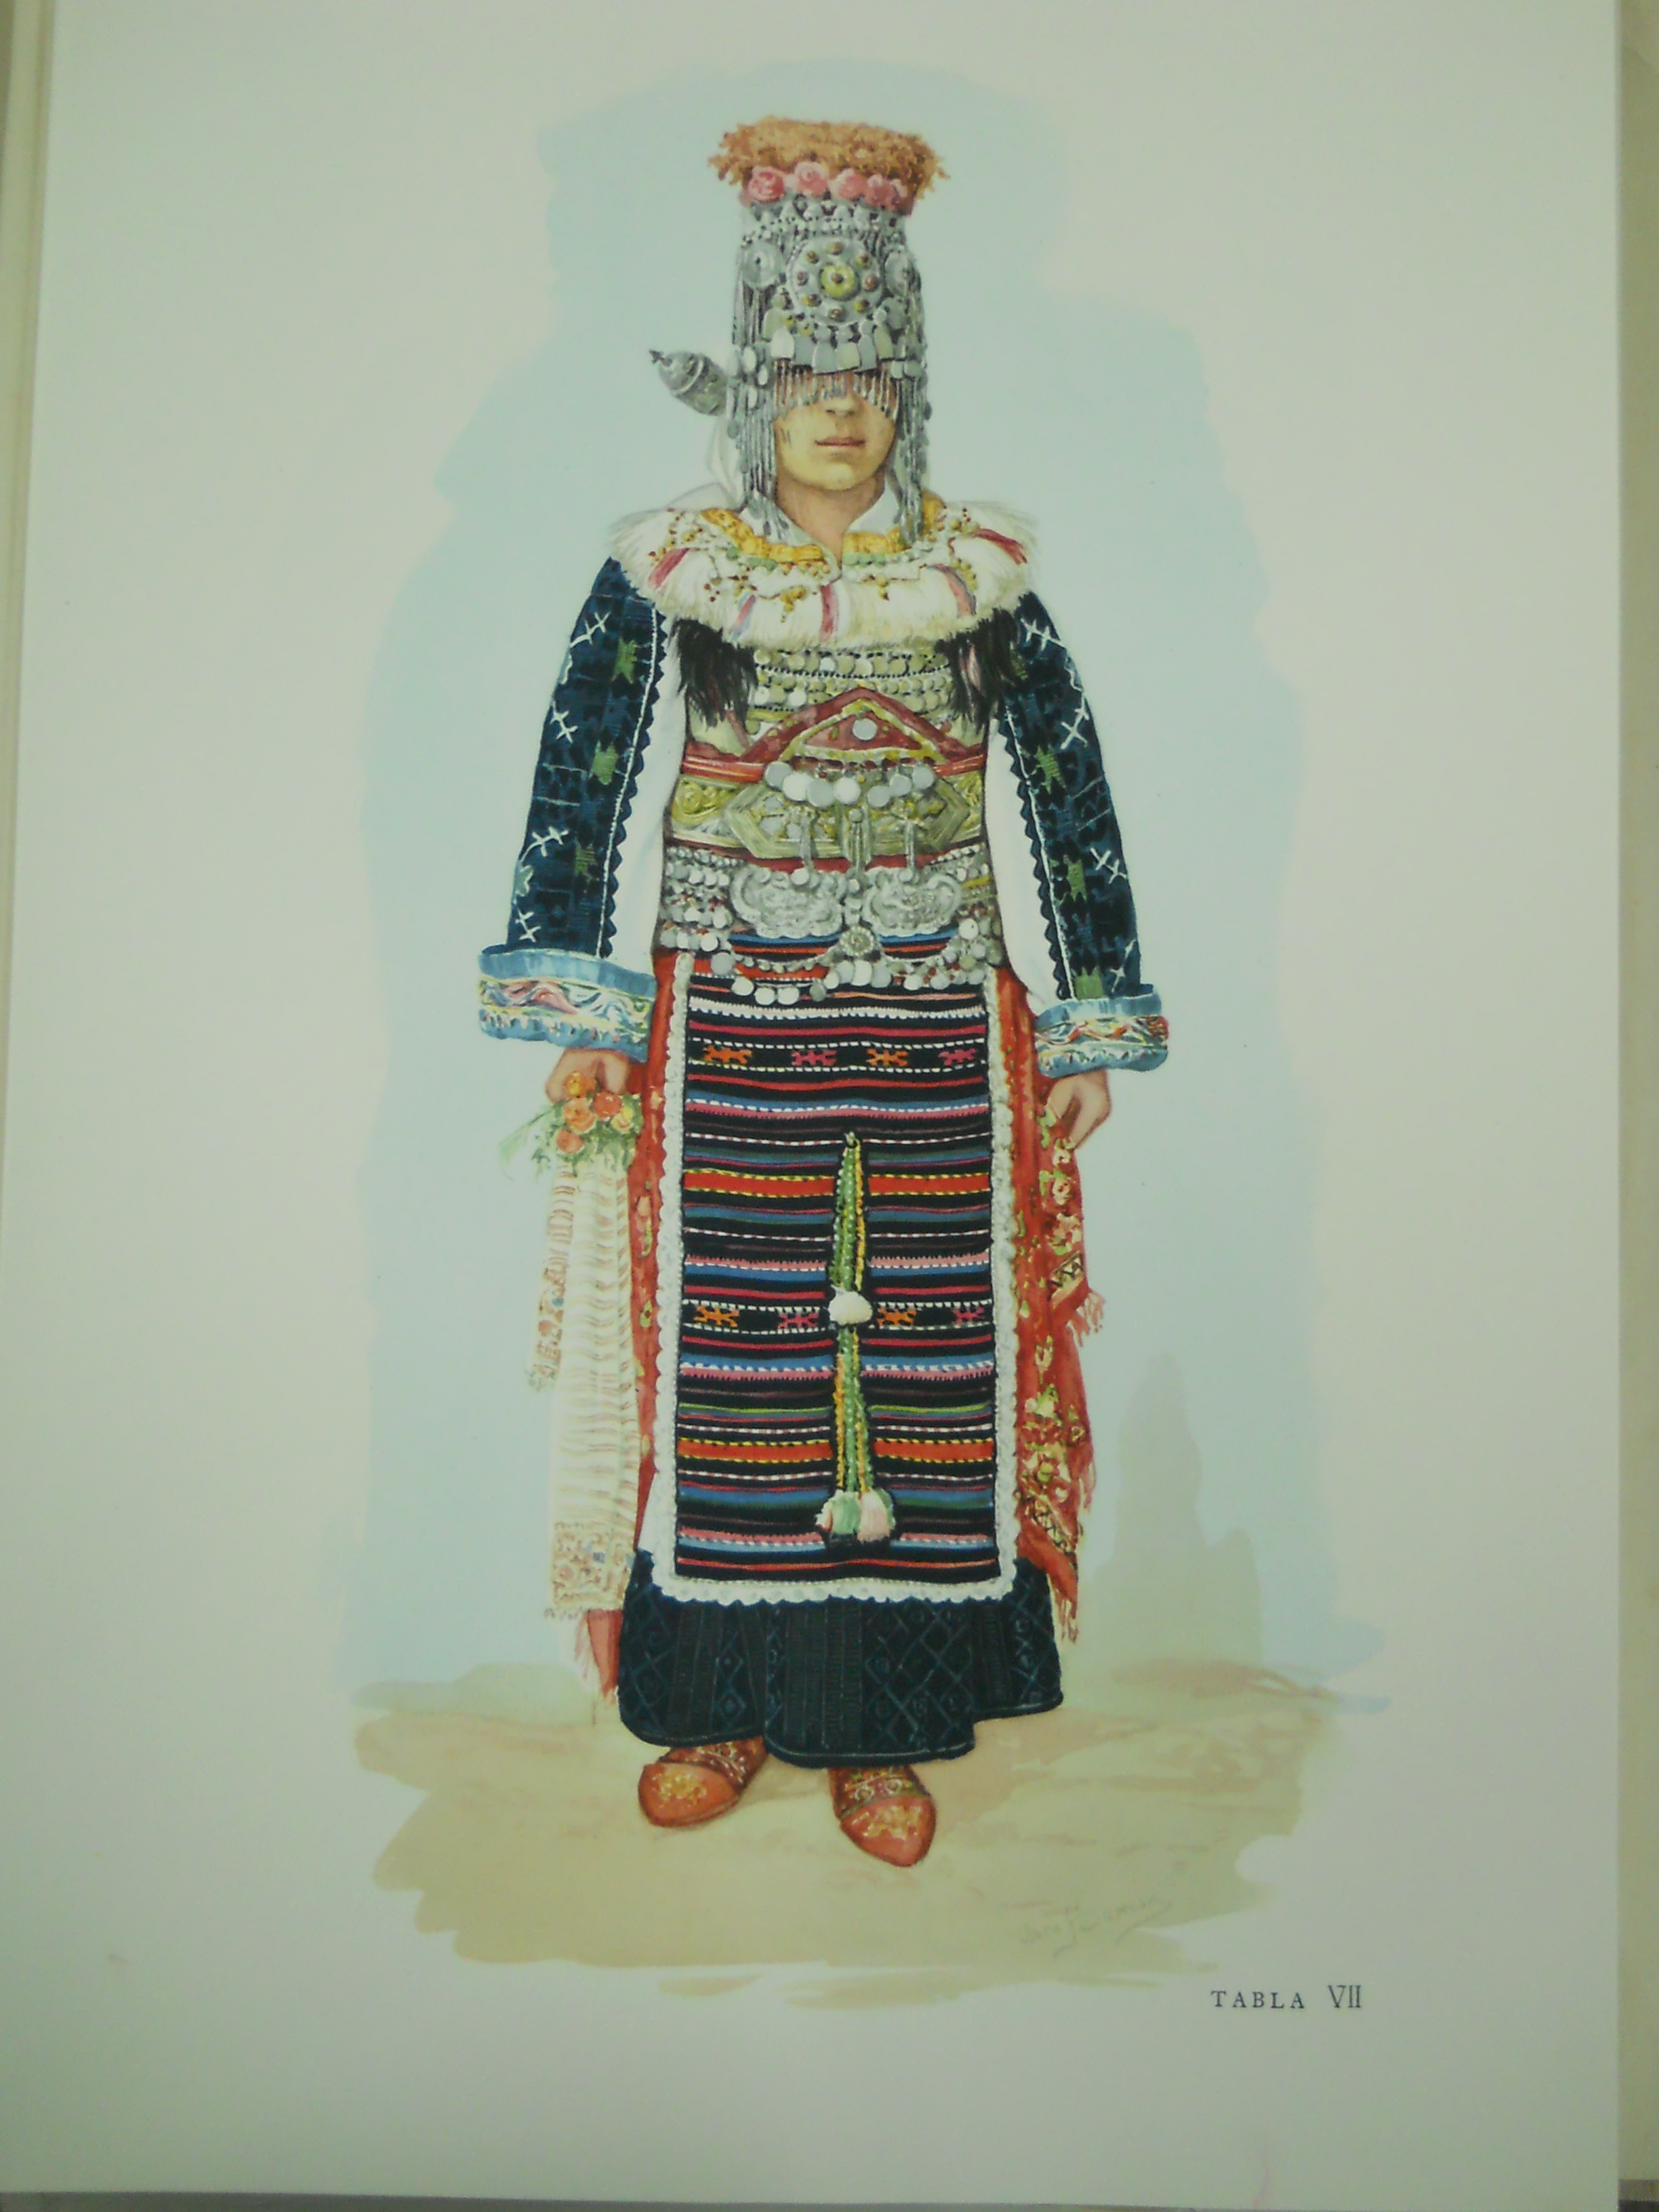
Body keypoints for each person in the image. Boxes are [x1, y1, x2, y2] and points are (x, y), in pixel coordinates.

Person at [479, 119, 1166, 1868]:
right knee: (738, 1359)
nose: (839, 412)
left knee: (927, 1361)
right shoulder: (669, 574)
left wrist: (1089, 1019)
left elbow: (1067, 794)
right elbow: (579, 787)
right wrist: (587, 1024)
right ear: (753, 389)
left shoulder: (979, 578)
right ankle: (715, 1703)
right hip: (729, 1019)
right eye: (805, 378)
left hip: (939, 1018)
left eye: (867, 381)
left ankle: (880, 1731)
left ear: (905, 391)